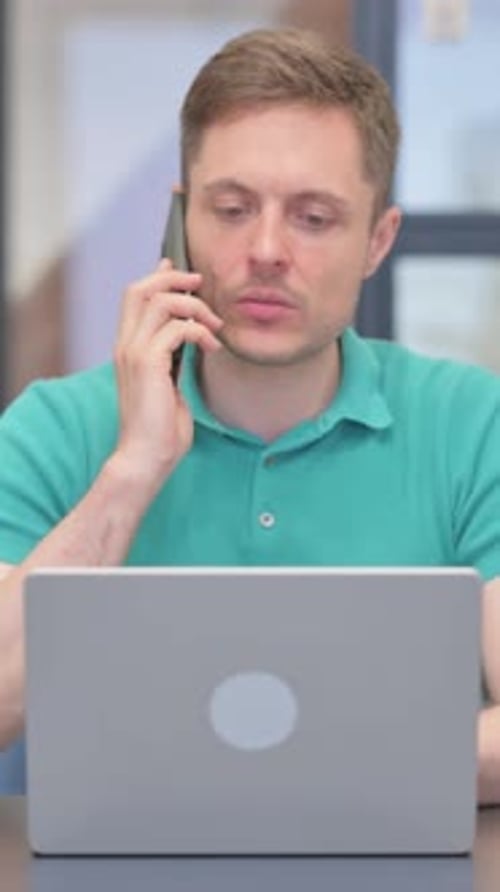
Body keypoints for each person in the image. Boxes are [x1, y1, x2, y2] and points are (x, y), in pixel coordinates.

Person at [0, 27, 499, 800]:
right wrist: (131, 471)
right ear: (181, 220)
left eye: (314, 218)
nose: (265, 250)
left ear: (377, 240)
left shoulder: (472, 423)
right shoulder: (54, 430)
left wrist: (291, 772)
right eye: (231, 209)